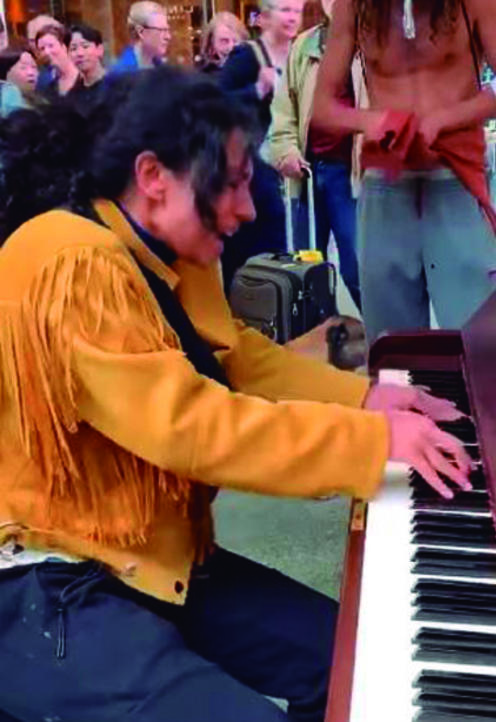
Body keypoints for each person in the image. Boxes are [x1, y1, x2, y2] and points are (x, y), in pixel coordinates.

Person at [0, 67, 471, 722]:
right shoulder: (71, 256)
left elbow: (237, 362)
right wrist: (372, 444)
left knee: (354, 663)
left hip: (145, 555)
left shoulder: (162, 252)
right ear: (153, 176)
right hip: (45, 580)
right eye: (235, 180)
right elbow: (188, 425)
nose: (249, 208)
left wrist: (367, 400)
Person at [310, 0, 496, 343]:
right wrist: (371, 121)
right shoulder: (355, 6)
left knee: (478, 343)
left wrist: (446, 119)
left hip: (454, 177)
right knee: (393, 350)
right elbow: (321, 108)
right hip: (386, 183)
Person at [267, 0, 362, 310]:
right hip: (307, 173)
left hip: (350, 177)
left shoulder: (371, 43)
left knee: (357, 267)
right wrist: (286, 152)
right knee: (308, 270)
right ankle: (320, 338)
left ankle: (383, 342)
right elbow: (284, 110)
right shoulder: (305, 45)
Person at [218, 0, 302, 287]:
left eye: (297, 11)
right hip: (252, 169)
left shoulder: (300, 54)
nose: (292, 18)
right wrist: (256, 89)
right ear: (265, 17)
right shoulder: (246, 56)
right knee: (258, 245)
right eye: (285, 11)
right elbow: (215, 102)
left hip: (292, 166)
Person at [109, 2, 170, 74]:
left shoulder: (164, 71)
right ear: (141, 32)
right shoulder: (119, 75)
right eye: (161, 30)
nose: (168, 37)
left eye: (167, 30)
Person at [35, 24, 81, 97]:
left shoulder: (85, 80)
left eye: (51, 46)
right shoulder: (46, 85)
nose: (46, 52)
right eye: (42, 48)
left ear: (64, 47)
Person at [68, 23, 107, 96]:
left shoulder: (118, 86)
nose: (79, 53)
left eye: (85, 46)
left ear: (99, 49)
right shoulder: (73, 94)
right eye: (73, 49)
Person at [0, 43, 38, 116]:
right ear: (6, 71)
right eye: (23, 68)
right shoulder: (9, 102)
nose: (31, 73)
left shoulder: (41, 99)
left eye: (34, 67)